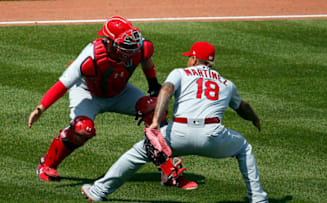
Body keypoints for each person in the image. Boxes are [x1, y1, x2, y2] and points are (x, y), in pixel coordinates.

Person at [81, 41, 269, 203]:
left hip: (177, 133)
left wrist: (155, 121)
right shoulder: (226, 83)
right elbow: (242, 107)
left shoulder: (181, 73)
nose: (188, 60)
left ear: (194, 59)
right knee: (243, 147)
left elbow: (166, 91)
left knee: (137, 153)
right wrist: (255, 118)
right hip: (213, 136)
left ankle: (99, 191)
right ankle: (258, 198)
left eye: (190, 57)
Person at [28, 16, 163, 182]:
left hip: (121, 92)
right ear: (109, 41)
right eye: (125, 45)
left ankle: (165, 163)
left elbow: (146, 60)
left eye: (132, 44)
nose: (131, 49)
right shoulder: (90, 56)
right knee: (82, 129)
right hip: (87, 93)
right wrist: (40, 108)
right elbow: (62, 85)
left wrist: (153, 84)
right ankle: (47, 164)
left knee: (154, 110)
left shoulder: (141, 48)